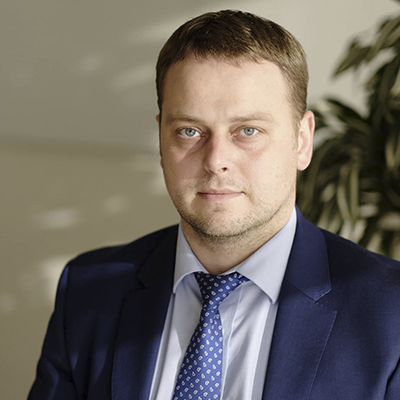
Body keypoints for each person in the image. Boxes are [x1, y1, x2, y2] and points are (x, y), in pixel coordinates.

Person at [28, 10, 400, 400]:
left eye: (248, 130)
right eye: (189, 131)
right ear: (161, 139)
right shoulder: (88, 291)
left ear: (302, 141)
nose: (216, 160)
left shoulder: (390, 313)